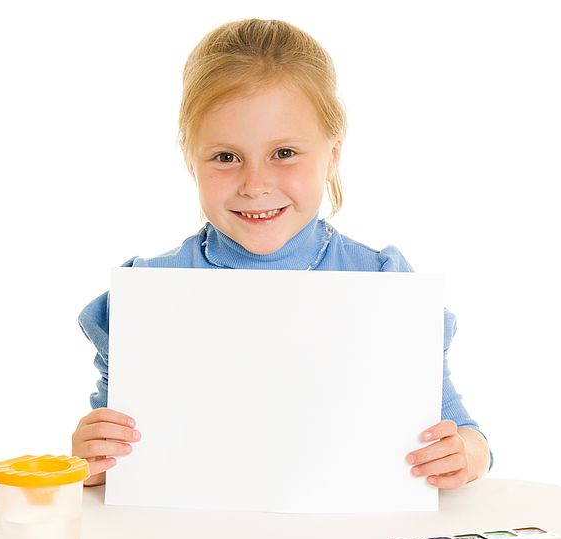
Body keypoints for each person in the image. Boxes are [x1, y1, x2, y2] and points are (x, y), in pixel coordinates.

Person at [72, 18, 491, 489]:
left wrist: (466, 455)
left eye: (284, 153)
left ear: (332, 154)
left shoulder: (384, 284)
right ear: (191, 160)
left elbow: (462, 432)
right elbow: (109, 458)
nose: (255, 185)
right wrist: (89, 460)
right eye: (226, 157)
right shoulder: (151, 292)